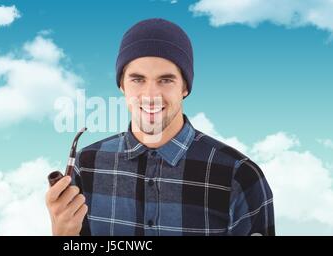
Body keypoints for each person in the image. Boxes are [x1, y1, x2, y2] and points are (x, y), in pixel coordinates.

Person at [46, 18, 275, 236]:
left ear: (185, 87)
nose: (151, 95)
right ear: (122, 85)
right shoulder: (87, 166)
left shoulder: (241, 176)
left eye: (166, 80)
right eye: (138, 79)